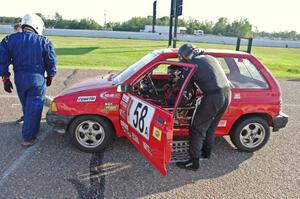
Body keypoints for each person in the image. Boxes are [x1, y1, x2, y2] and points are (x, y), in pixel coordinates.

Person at [0, 13, 57, 147]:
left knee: (27, 104)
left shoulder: (9, 40)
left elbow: (2, 60)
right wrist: (50, 76)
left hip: (19, 79)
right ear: (37, 25)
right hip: (36, 79)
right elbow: (51, 61)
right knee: (35, 106)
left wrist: (5, 78)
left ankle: (31, 127)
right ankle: (28, 137)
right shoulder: (44, 41)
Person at [176, 44, 231, 170]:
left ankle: (193, 162)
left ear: (184, 56)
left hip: (213, 97)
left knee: (196, 128)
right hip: (227, 94)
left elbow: (184, 90)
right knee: (211, 126)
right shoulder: (210, 58)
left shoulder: (192, 65)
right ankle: (206, 154)